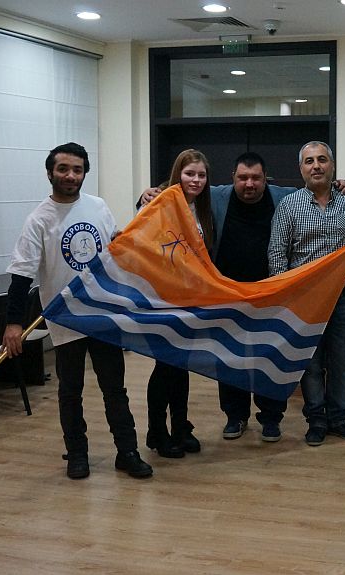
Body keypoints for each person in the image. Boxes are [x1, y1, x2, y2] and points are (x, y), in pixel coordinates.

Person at [138, 155, 345, 443]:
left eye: (256, 178)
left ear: (266, 179)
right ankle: (235, 416)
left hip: (271, 295)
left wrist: (338, 184)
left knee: (271, 358)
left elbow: (315, 187)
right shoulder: (216, 196)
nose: (249, 184)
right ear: (232, 178)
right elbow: (181, 190)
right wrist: (147, 194)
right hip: (227, 296)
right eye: (242, 178)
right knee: (229, 359)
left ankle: (271, 418)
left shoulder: (284, 197)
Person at [1, 142, 152, 480]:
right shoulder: (39, 219)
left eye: (77, 170)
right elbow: (21, 276)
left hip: (103, 314)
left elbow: (117, 250)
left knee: (115, 389)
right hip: (66, 318)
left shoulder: (98, 207)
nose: (70, 175)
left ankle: (127, 452)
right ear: (50, 173)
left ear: (85, 173)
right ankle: (77, 454)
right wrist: (13, 323)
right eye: (63, 169)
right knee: (70, 391)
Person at [267, 141, 345, 447]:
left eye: (322, 160)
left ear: (332, 165)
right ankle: (317, 421)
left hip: (342, 297)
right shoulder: (289, 205)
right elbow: (277, 252)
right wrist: (282, 295)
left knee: (342, 362)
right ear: (301, 169)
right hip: (304, 300)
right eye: (309, 161)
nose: (316, 166)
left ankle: (338, 418)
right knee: (309, 364)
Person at [143, 149, 216, 458]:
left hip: (192, 300)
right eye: (189, 174)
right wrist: (144, 198)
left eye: (201, 175)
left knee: (180, 365)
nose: (195, 180)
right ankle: (157, 431)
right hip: (162, 299)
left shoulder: (203, 207)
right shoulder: (160, 202)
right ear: (177, 175)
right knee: (165, 365)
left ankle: (180, 426)